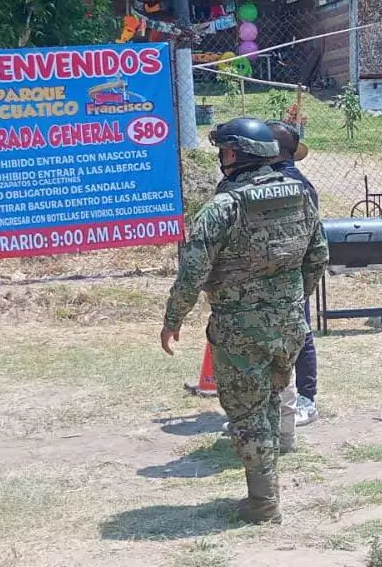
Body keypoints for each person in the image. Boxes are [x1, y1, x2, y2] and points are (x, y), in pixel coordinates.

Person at [161, 118, 328, 524]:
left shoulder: (224, 206)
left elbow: (192, 271)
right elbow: (318, 255)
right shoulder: (300, 196)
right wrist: (289, 300)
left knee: (246, 413)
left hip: (239, 329)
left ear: (233, 154)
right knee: (270, 400)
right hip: (289, 323)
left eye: (223, 151)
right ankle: (265, 490)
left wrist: (173, 318)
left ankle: (263, 502)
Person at [267, 120, 320, 427]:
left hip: (291, 273)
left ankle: (306, 399)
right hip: (283, 273)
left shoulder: (293, 184)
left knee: (300, 335)